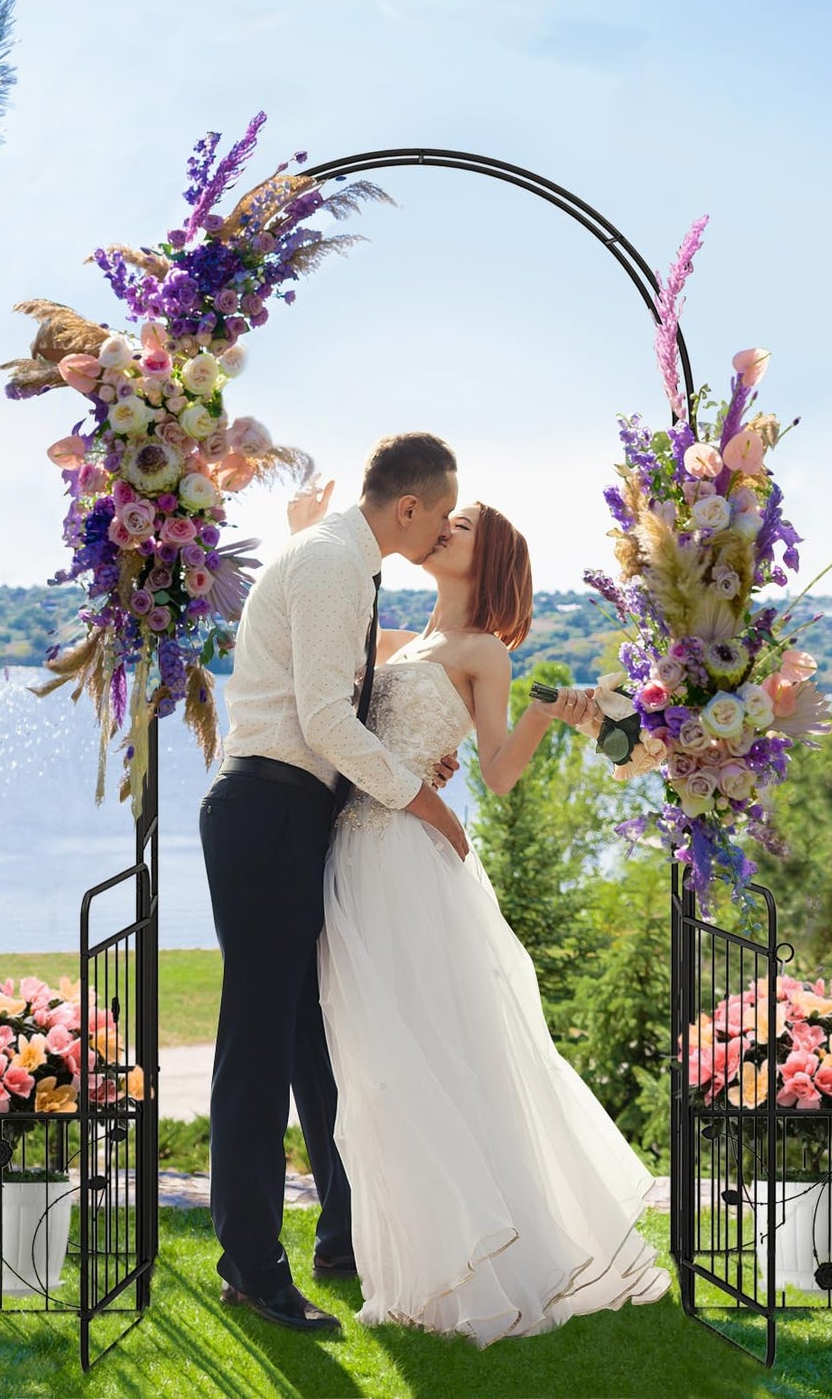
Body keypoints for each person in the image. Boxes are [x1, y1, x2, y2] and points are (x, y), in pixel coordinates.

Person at [292, 488, 672, 1345]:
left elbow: (495, 775)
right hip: (351, 852)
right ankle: (410, 1264)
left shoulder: (481, 652)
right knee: (375, 1066)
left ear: (486, 555)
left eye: (458, 526)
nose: (439, 527)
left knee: (427, 1055)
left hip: (411, 866)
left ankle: (490, 1264)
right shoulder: (403, 639)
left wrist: (540, 712)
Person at [199, 432, 467, 1336]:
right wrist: (419, 799)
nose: (443, 529)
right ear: (408, 508)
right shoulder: (327, 564)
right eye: (441, 513)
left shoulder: (348, 562)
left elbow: (346, 701)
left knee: (301, 1038)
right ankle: (253, 1267)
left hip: (288, 814)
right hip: (266, 809)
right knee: (260, 1047)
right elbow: (319, 716)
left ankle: (325, 1242)